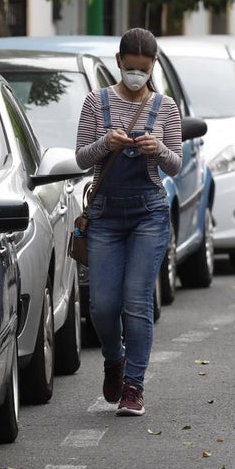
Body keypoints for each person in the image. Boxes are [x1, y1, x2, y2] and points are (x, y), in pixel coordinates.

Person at [75, 28, 182, 416]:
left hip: (148, 213)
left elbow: (176, 164)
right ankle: (113, 359)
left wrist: (159, 148)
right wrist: (108, 143)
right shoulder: (95, 102)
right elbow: (82, 158)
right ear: (118, 62)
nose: (137, 75)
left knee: (136, 302)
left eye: (144, 68)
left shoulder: (165, 108)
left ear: (153, 65)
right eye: (131, 67)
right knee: (103, 305)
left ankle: (134, 386)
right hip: (105, 214)